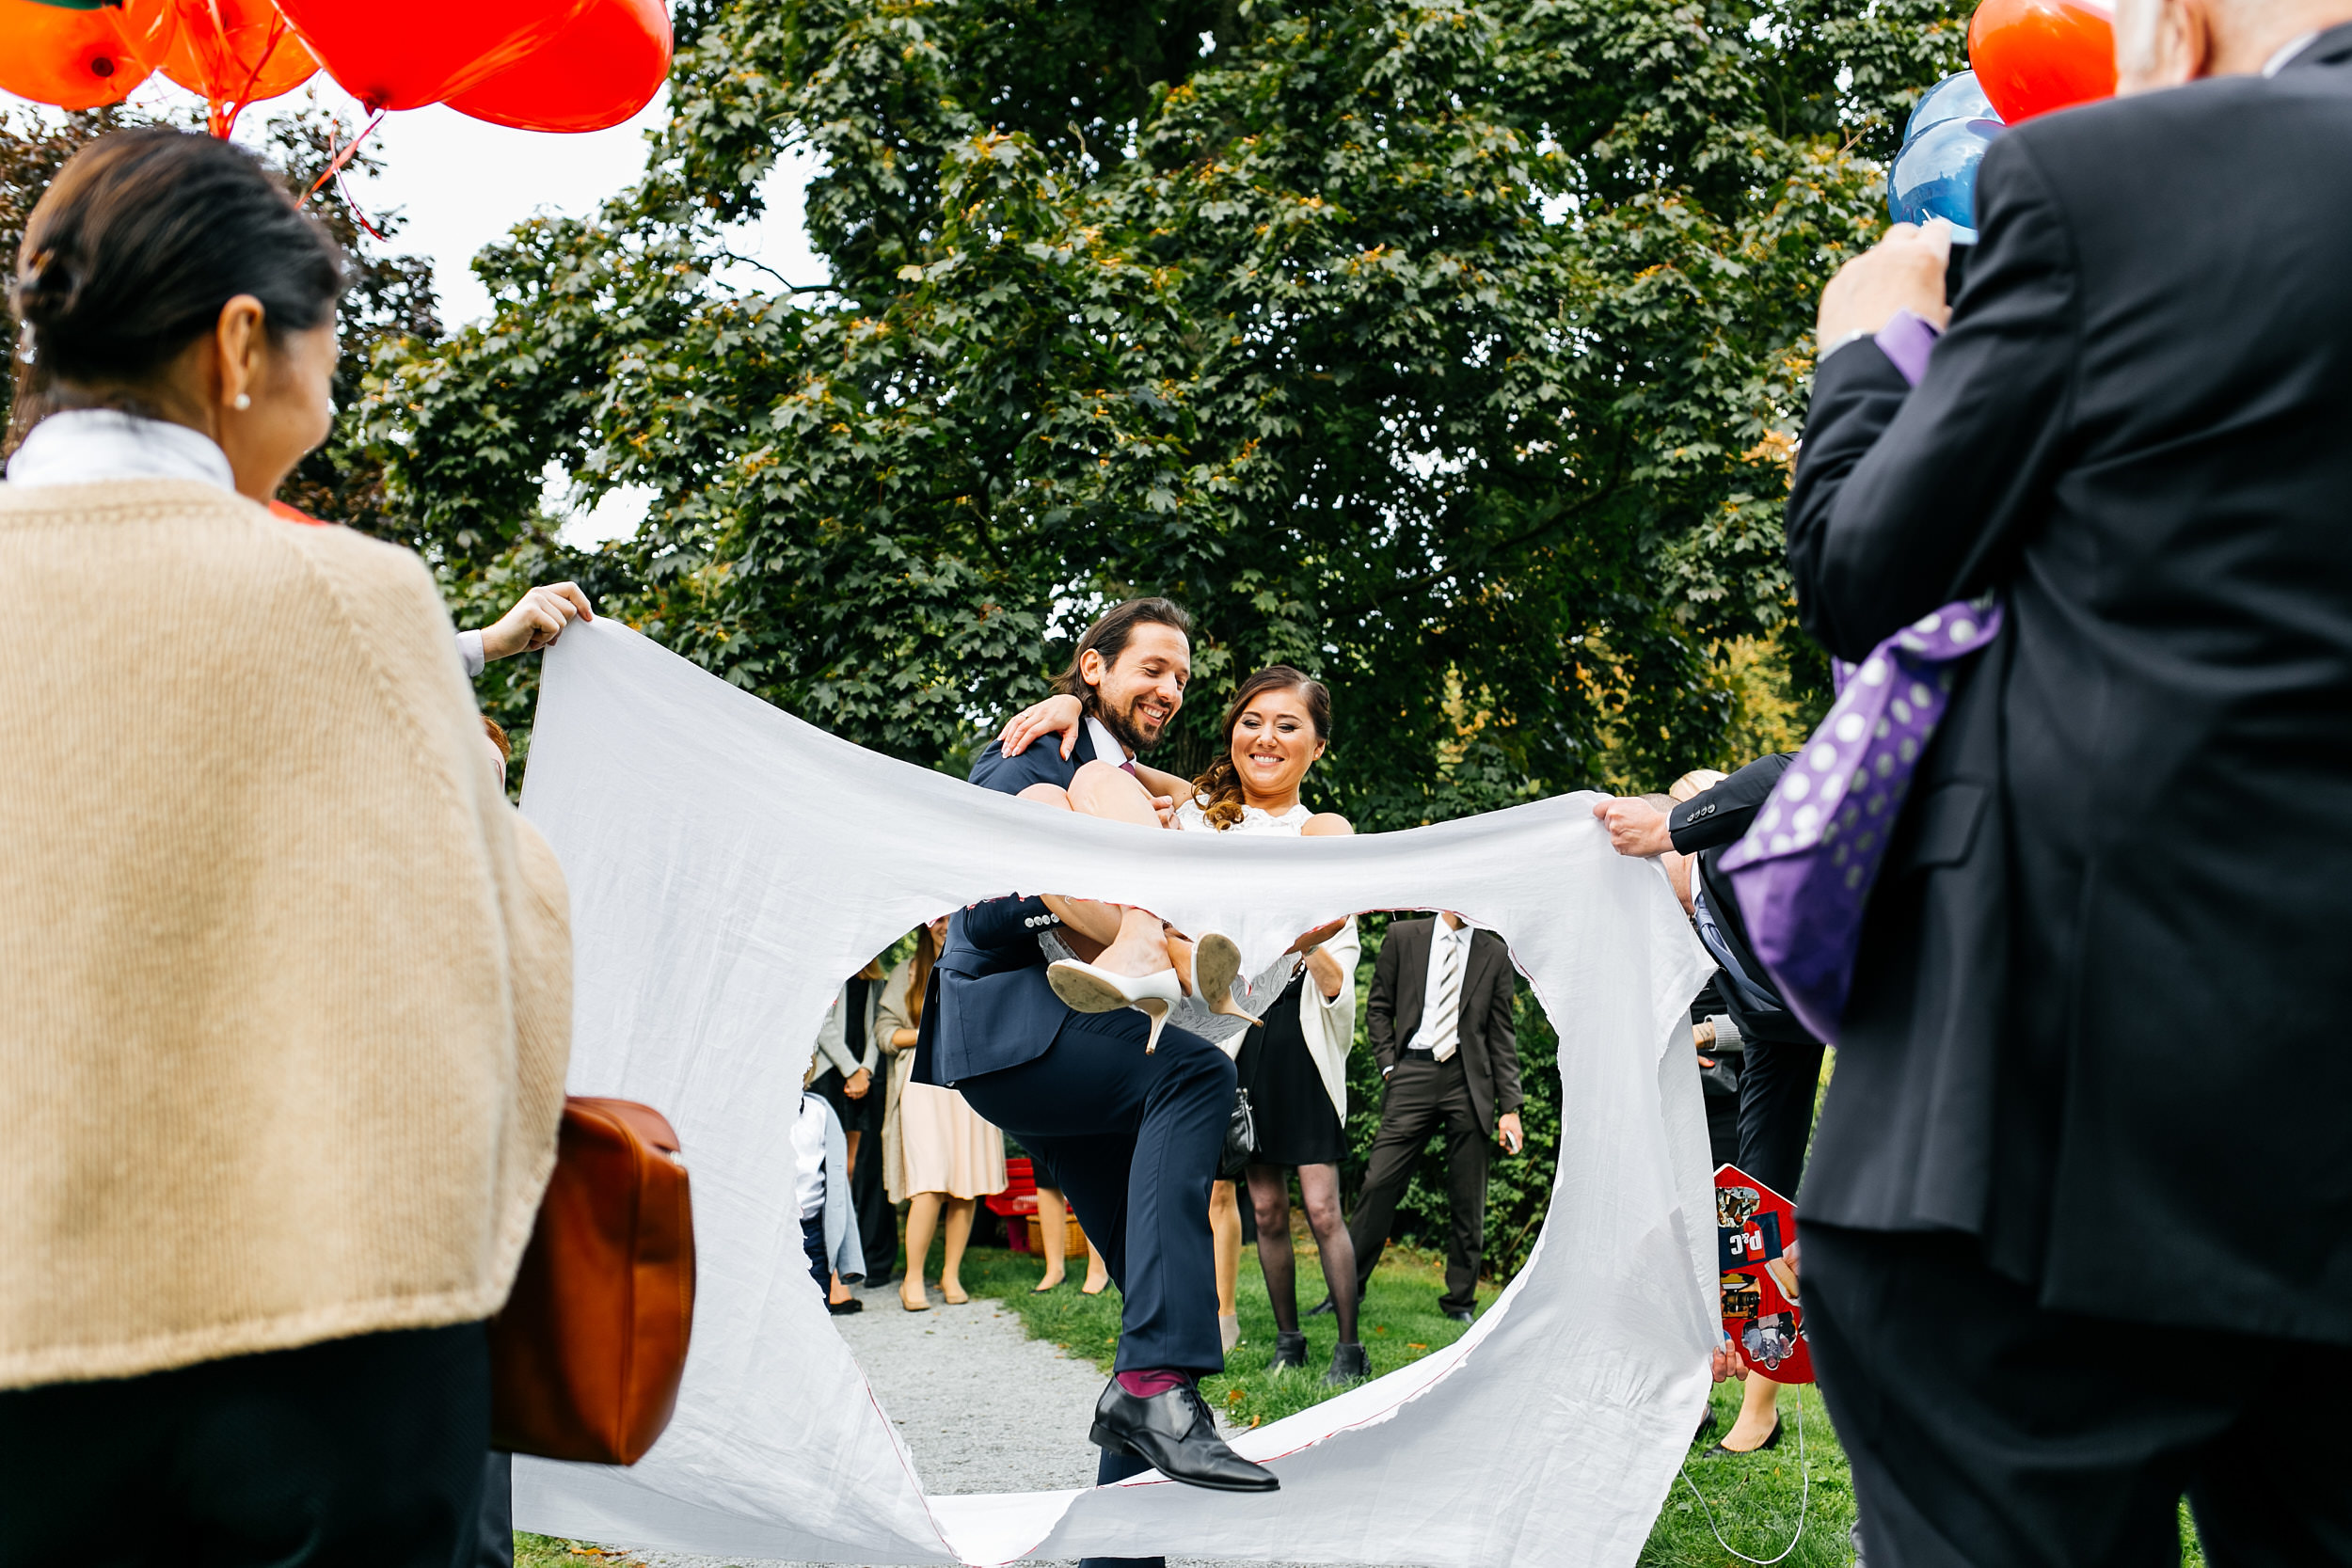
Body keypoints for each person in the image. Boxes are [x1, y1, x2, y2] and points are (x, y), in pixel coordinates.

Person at [1777, 0, 2352, 1556]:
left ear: (2183, 23)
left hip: (2061, 1129)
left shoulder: (2114, 179)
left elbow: (1869, 571)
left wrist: (1867, 351)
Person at [1, 129, 571, 1564]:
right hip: (325, 1348)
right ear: (241, 340)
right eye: (330, 336)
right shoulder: (353, 599)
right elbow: (504, 942)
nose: (332, 376)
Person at [920, 597, 1277, 1512]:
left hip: (1092, 1041)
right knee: (1195, 1071)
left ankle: (1128, 1515)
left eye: (1182, 677)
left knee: (1150, 1296)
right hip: (1013, 1026)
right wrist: (1069, 900)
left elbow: (1218, 804)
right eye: (1151, 668)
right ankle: (1160, 956)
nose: (1171, 688)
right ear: (1094, 666)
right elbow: (978, 915)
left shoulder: (1131, 784)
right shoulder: (1030, 754)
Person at [1003, 665, 1367, 1381]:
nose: (1264, 737)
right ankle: (1151, 951)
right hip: (1164, 970)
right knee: (1050, 796)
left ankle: (1340, 1345)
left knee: (1312, 1203)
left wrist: (1293, 934)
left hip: (1243, 981)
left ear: (1318, 746)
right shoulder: (1200, 808)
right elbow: (1108, 765)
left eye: (1287, 725)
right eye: (1251, 721)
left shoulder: (1316, 830)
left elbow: (1332, 952)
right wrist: (1070, 703)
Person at [1322, 911, 1522, 1324]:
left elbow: (1502, 1034)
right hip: (1411, 1071)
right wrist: (1389, 1067)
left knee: (1468, 1196)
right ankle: (1346, 1289)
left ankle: (1460, 1302)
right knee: (1379, 1183)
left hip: (1470, 1080)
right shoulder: (1402, 936)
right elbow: (1378, 1007)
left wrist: (1510, 1108)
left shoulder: (1494, 952)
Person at [876, 916, 1009, 1311]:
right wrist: (928, 1032)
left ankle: (950, 1274)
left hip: (968, 1081)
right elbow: (884, 1033)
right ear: (925, 925)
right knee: (930, 1181)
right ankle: (913, 1278)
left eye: (954, 917)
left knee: (965, 1182)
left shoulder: (981, 965)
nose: (945, 925)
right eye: (938, 919)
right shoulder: (908, 971)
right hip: (923, 1084)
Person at [793, 1076, 866, 1313]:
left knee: (817, 1305)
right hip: (774, 1228)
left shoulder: (819, 1110)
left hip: (812, 1228)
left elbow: (837, 1186)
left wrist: (848, 1256)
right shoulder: (759, 1111)